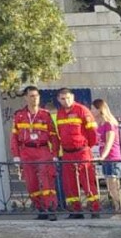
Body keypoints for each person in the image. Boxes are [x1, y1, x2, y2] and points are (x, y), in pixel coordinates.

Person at [10, 86, 58, 220]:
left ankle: (51, 209)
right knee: (31, 183)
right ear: (26, 97)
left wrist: (54, 154)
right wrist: (16, 155)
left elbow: (53, 136)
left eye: (36, 96)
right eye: (31, 96)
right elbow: (14, 138)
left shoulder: (45, 114)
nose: (35, 98)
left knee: (47, 180)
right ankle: (40, 209)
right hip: (26, 151)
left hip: (42, 150)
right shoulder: (19, 115)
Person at [53, 88, 100, 218]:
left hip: (82, 151)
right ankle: (75, 211)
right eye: (63, 98)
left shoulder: (82, 110)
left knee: (87, 181)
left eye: (68, 98)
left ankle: (95, 209)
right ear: (58, 99)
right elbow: (59, 134)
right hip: (67, 153)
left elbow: (93, 133)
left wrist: (86, 147)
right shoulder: (60, 113)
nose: (66, 101)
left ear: (73, 97)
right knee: (69, 183)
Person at [92, 98, 121, 214]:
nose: (91, 111)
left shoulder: (109, 124)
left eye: (93, 109)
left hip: (112, 157)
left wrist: (103, 156)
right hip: (105, 158)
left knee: (114, 184)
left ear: (100, 109)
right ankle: (117, 207)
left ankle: (120, 208)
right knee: (110, 186)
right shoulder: (99, 124)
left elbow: (109, 142)